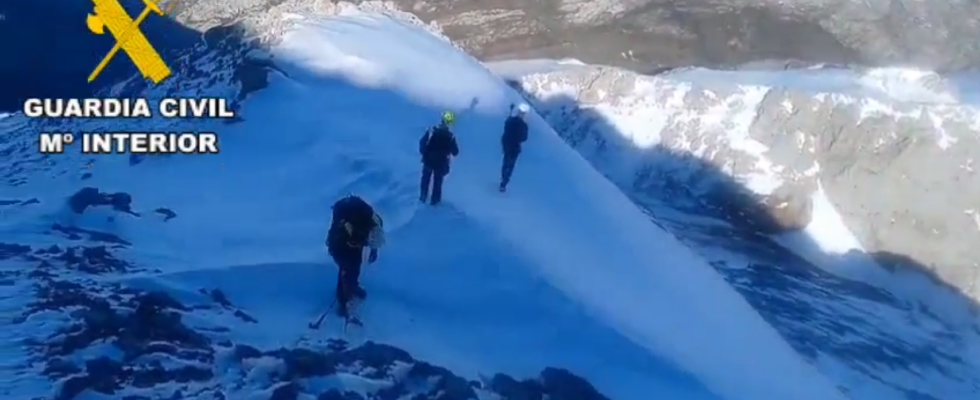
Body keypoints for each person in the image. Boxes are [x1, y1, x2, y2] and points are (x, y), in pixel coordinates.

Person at [325, 194, 386, 317]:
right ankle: (343, 301)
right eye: (369, 244)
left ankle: (353, 285)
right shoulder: (348, 226)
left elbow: (375, 238)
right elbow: (335, 240)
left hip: (355, 236)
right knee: (346, 270)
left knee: (356, 263)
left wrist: (374, 251)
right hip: (341, 241)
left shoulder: (376, 222)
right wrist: (341, 257)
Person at [419, 111, 460, 205]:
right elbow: (455, 152)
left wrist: (424, 154)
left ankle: (422, 197)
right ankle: (435, 202)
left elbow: (422, 143)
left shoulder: (431, 131)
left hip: (428, 160)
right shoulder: (450, 137)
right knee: (437, 183)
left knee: (425, 180)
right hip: (441, 164)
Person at [499, 103, 530, 192]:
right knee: (510, 165)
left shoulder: (511, 120)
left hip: (507, 145)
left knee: (506, 163)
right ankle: (504, 182)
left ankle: (503, 180)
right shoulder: (524, 125)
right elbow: (524, 138)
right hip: (515, 147)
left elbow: (506, 129)